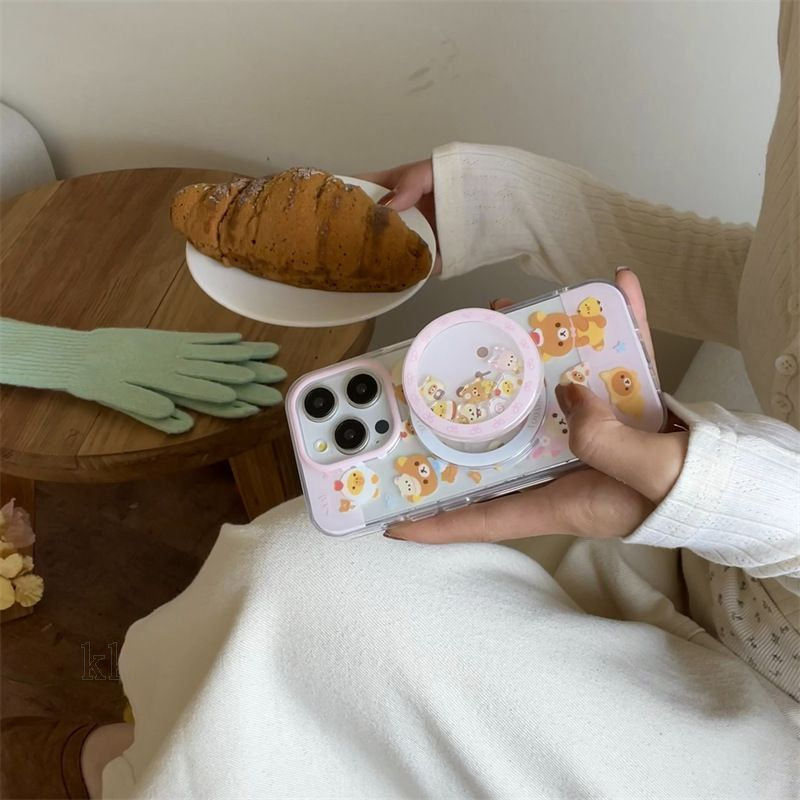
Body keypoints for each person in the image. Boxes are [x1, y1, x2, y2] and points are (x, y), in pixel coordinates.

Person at [3, 3, 797, 799]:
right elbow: (767, 278)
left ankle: (120, 773)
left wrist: (726, 493)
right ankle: (144, 751)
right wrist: (497, 204)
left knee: (328, 637)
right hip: (707, 531)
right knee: (289, 564)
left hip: (767, 675)